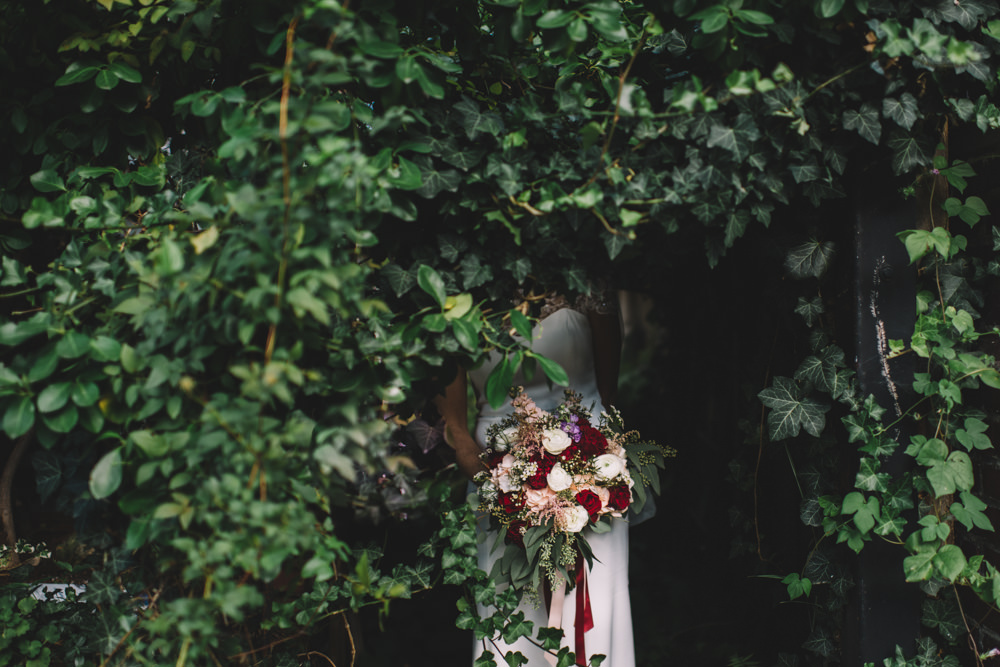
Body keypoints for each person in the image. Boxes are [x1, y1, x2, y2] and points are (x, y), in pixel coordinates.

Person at [435, 288, 636, 667]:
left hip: (592, 470)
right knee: (509, 610)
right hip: (495, 475)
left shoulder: (583, 276)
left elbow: (607, 391)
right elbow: (456, 429)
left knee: (596, 600)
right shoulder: (458, 291)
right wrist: (490, 476)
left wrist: (589, 462)